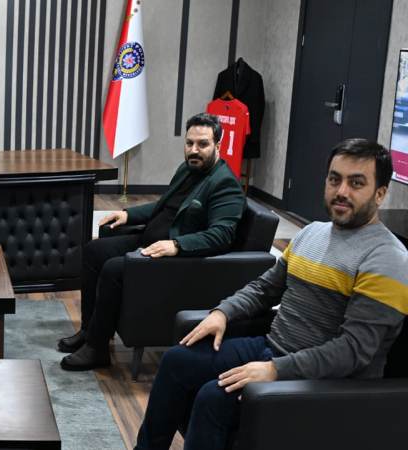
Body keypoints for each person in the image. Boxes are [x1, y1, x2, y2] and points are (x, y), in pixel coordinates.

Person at [136, 138, 408, 450]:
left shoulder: (387, 258)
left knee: (213, 397)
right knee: (176, 361)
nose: (341, 191)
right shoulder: (311, 233)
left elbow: (353, 352)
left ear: (380, 193)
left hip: (325, 381)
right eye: (335, 179)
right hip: (272, 347)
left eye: (356, 183)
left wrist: (276, 370)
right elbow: (265, 288)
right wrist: (223, 312)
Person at [58, 113, 245, 371]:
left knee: (114, 268)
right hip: (149, 240)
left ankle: (97, 349)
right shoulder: (187, 170)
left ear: (218, 145)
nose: (194, 150)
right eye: (189, 143)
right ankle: (89, 330)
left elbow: (221, 235)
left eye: (202, 144)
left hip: (172, 258)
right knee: (93, 251)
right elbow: (163, 206)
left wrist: (177, 245)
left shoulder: (225, 184)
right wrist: (128, 214)